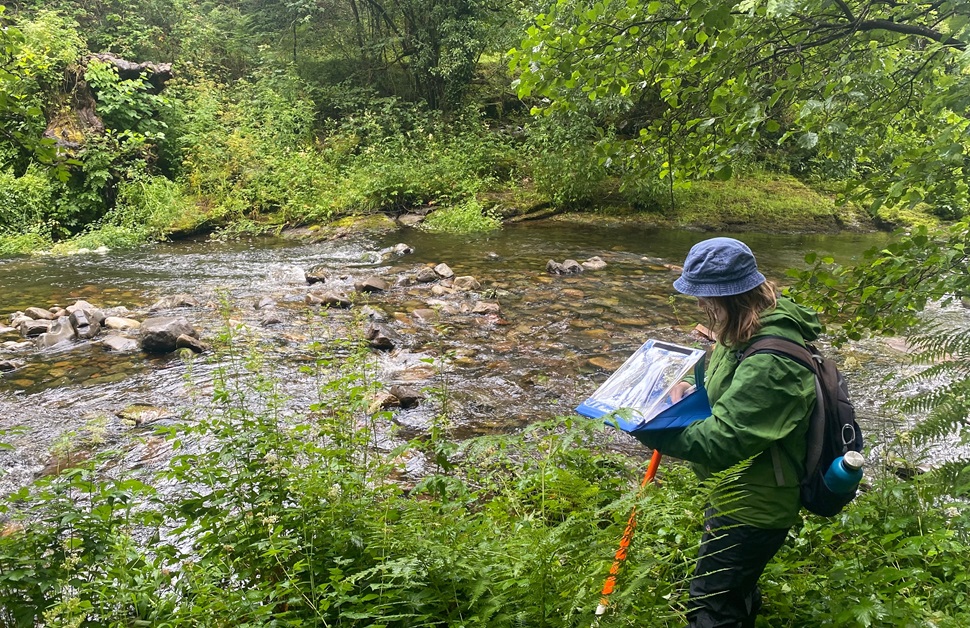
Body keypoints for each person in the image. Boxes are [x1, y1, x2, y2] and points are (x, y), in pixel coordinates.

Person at [636, 237, 821, 628]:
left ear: (733, 296)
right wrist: (689, 392)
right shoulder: (741, 328)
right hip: (736, 490)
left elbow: (723, 442)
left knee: (711, 609)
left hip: (754, 506)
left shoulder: (773, 360)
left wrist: (644, 426)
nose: (700, 305)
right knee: (735, 593)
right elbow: (727, 394)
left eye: (705, 297)